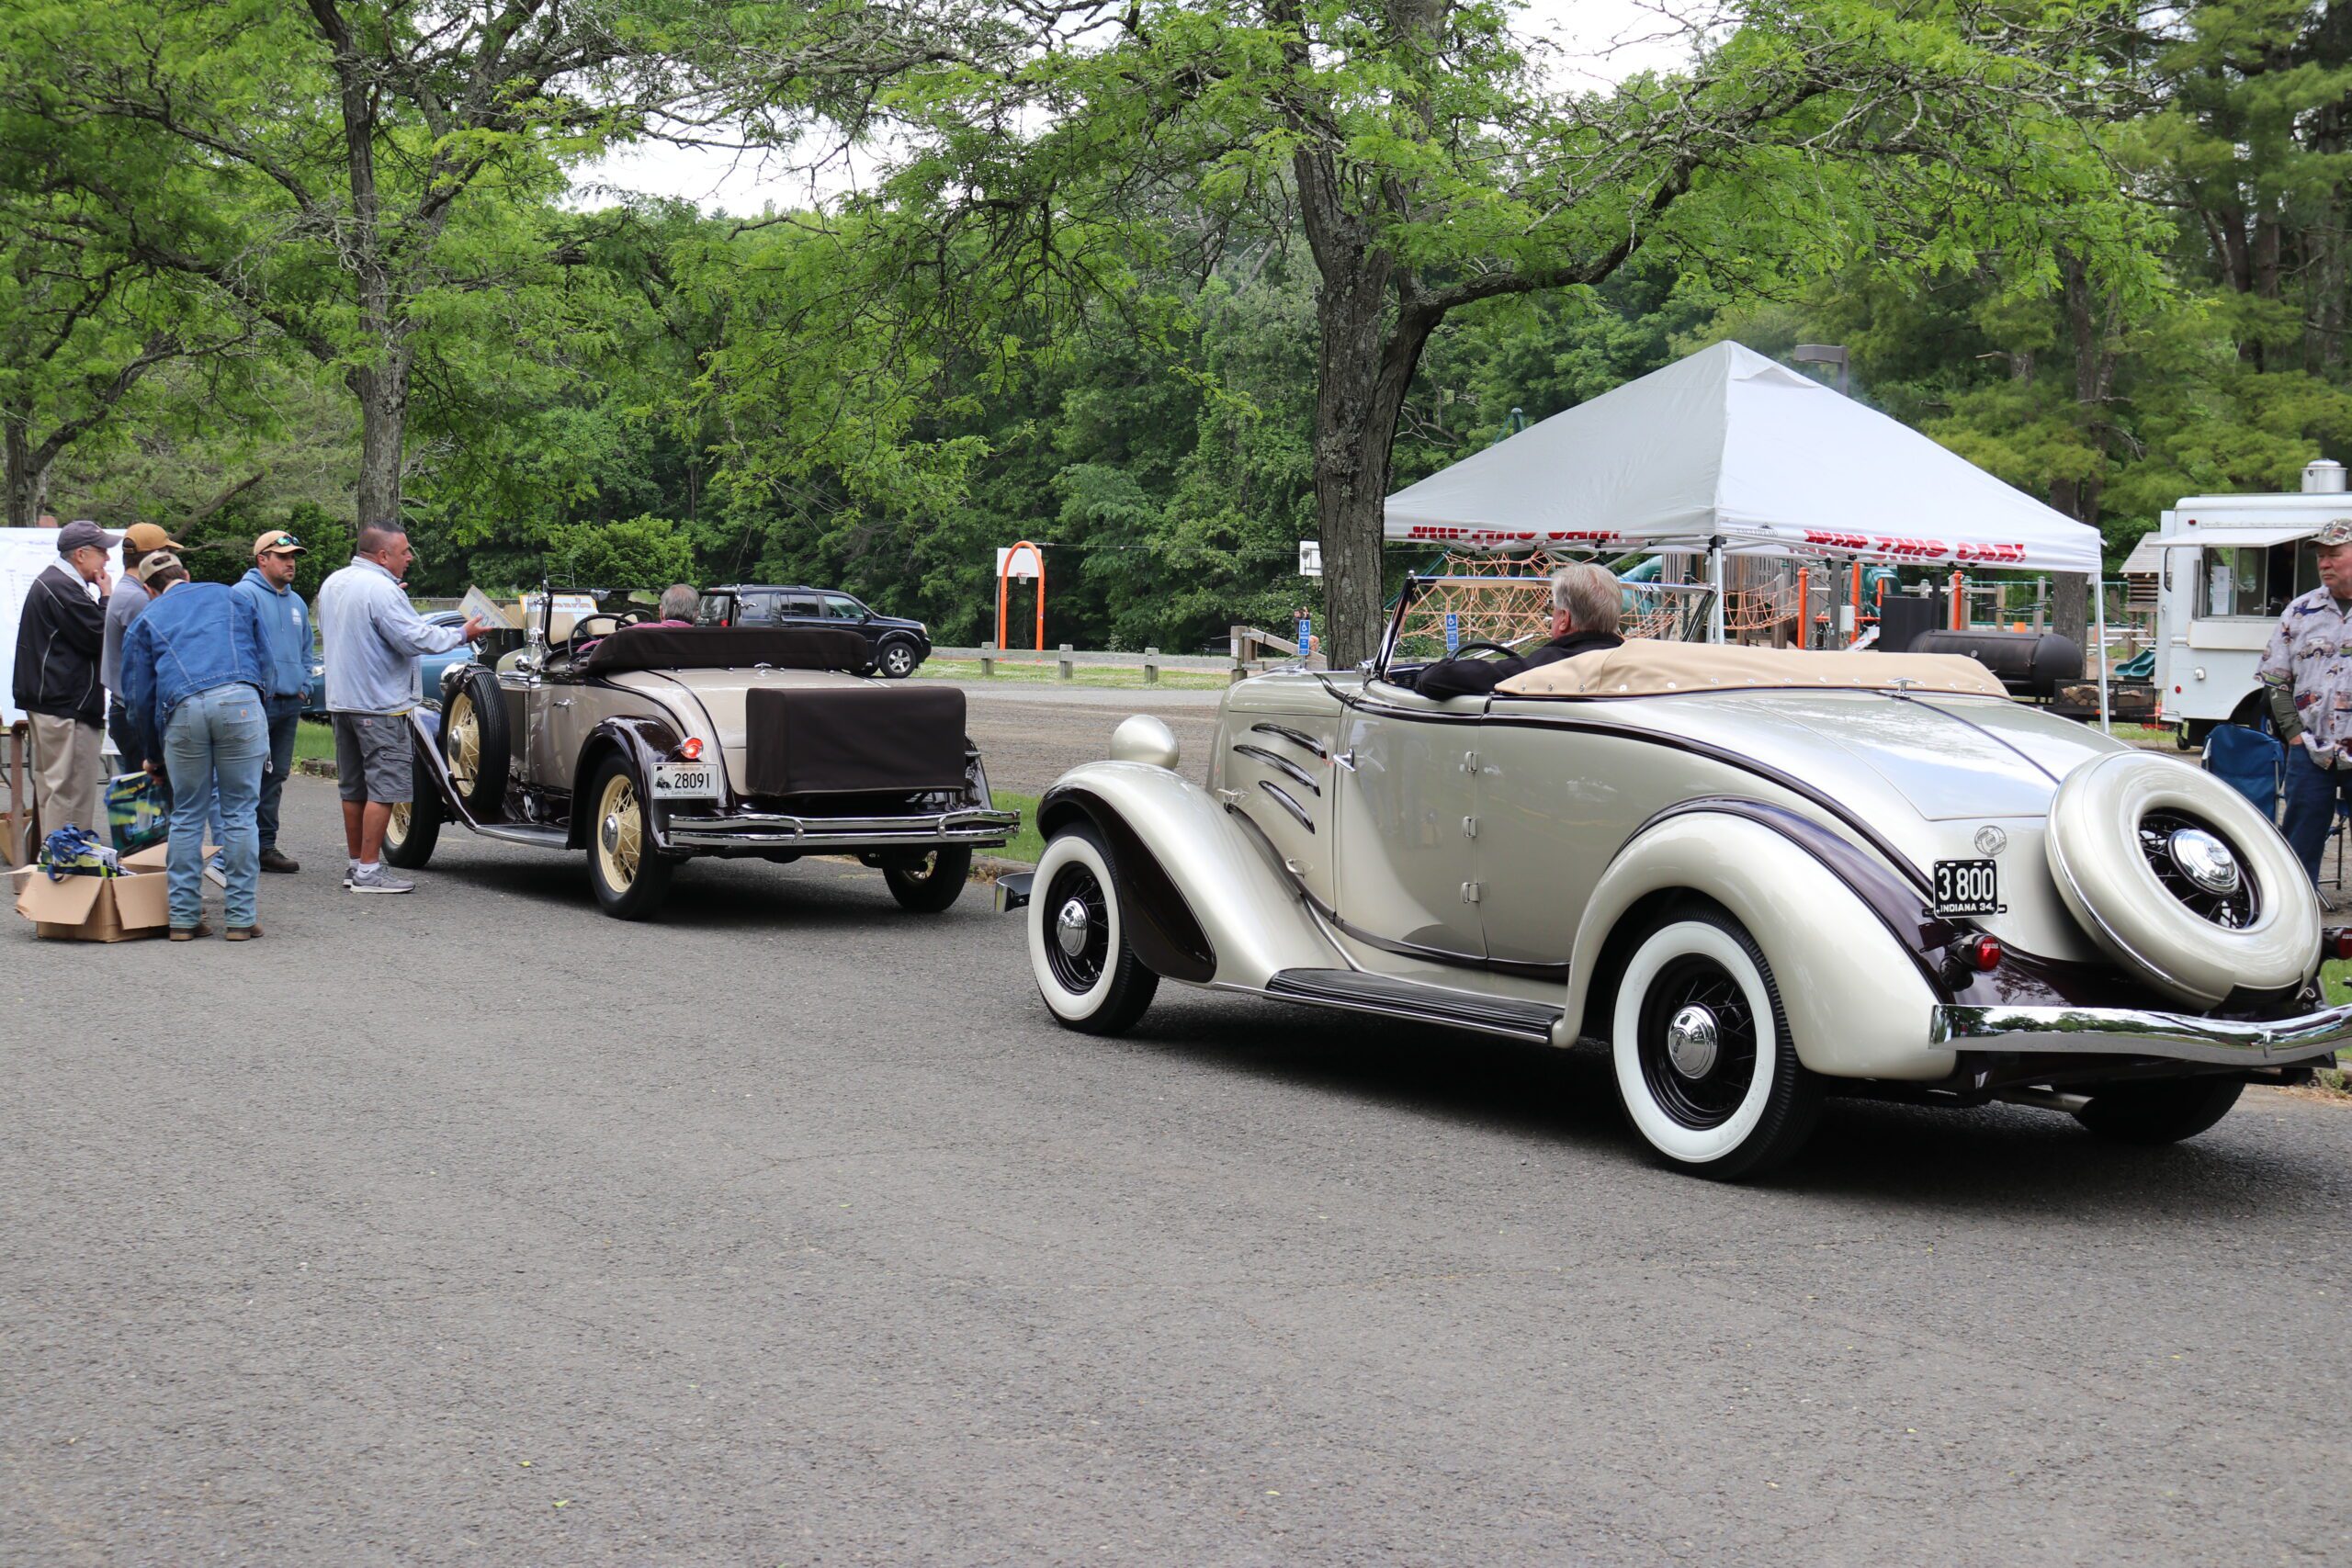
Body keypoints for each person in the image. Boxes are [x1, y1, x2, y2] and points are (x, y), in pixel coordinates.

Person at [315, 525, 483, 894]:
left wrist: (395, 600)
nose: (410, 557)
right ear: (382, 556)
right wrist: (462, 634)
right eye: (404, 551)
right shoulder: (381, 590)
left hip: (342, 700)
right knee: (386, 788)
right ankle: (370, 872)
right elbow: (414, 638)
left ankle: (356, 864)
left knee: (353, 788)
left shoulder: (334, 583)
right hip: (379, 704)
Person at [118, 553, 272, 941]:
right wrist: (257, 709)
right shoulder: (233, 596)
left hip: (182, 711)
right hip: (241, 703)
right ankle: (240, 918)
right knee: (240, 812)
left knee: (187, 814)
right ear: (186, 575)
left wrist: (153, 756)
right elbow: (265, 662)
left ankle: (184, 920)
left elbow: (139, 700)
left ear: (149, 590)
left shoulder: (146, 619)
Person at [12, 519, 115, 839]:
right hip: (65, 705)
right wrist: (107, 597)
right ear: (81, 554)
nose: (107, 560)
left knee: (56, 790)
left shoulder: (56, 583)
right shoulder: (61, 587)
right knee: (69, 793)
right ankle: (68, 874)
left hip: (56, 703)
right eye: (102, 552)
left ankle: (58, 872)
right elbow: (100, 636)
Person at [2263, 519, 2352, 881]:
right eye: (2321, 556)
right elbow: (2275, 681)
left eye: (2334, 555)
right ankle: (2299, 920)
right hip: (2310, 752)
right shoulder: (2299, 612)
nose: (2324, 563)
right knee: (2299, 843)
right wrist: (2294, 735)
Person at [1411, 561, 1625, 701]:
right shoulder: (1634, 659)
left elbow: (1434, 679)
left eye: (1553, 610)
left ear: (1564, 620)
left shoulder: (1548, 664)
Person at [232, 529, 313, 874]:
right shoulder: (242, 595)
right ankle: (239, 848)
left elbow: (307, 648)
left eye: (293, 557)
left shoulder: (296, 602)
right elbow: (236, 648)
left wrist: (305, 685)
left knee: (275, 775)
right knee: (246, 775)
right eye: (283, 557)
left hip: (289, 702)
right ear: (262, 559)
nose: (290, 562)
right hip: (256, 703)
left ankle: (265, 846)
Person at [101, 523, 183, 764]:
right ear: (154, 557)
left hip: (125, 708)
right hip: (135, 712)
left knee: (141, 797)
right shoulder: (138, 598)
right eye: (167, 553)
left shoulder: (127, 591)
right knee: (148, 796)